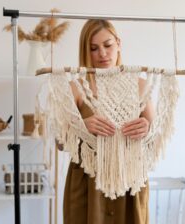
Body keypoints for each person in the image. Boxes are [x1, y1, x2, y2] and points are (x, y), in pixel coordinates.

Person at [63, 19, 154, 224]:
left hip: (130, 179)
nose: (102, 54)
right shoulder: (76, 88)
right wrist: (82, 126)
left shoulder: (141, 86)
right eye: (94, 48)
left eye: (108, 45)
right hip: (87, 181)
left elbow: (155, 138)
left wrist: (146, 128)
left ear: (118, 43)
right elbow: (59, 142)